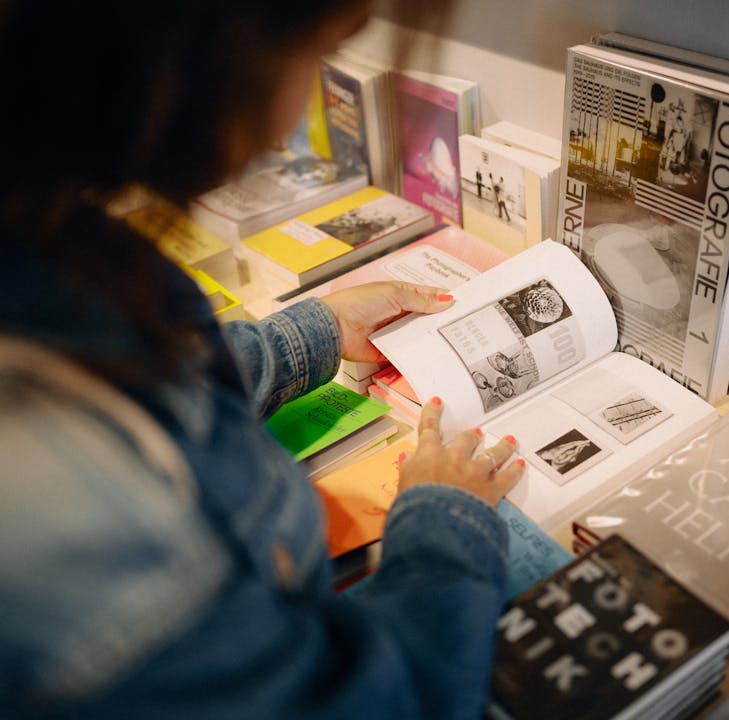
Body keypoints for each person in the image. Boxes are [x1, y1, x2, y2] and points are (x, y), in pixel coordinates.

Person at [0, 1, 526, 718]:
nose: (299, 108)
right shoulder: (80, 510)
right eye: (316, 50)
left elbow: (156, 375)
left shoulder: (43, 232)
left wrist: (313, 333)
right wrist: (444, 521)